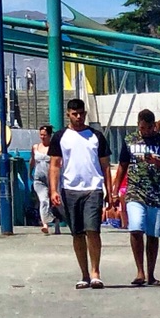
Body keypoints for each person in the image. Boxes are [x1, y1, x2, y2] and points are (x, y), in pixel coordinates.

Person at [49, 98, 113, 288]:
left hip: (93, 188)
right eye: (74, 114)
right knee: (77, 233)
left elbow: (105, 166)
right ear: (68, 114)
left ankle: (95, 272)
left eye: (81, 114)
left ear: (85, 114)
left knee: (92, 230)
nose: (78, 117)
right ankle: (84, 274)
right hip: (70, 189)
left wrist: (110, 192)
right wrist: (53, 190)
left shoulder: (96, 136)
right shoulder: (60, 137)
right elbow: (54, 165)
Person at [120, 109, 160, 285]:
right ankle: (140, 272)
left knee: (153, 235)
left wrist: (157, 161)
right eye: (142, 127)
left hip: (158, 193)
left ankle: (151, 274)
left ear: (154, 126)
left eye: (148, 128)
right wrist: (114, 190)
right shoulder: (130, 140)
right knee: (136, 228)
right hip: (135, 191)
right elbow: (123, 164)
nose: (145, 131)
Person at [31, 125, 58, 233]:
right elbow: (32, 161)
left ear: (50, 136)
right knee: (43, 200)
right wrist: (30, 172)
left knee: (54, 202)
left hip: (51, 179)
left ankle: (56, 220)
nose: (42, 137)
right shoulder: (35, 147)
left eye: (45, 135)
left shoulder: (54, 148)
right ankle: (45, 224)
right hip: (39, 179)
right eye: (41, 135)